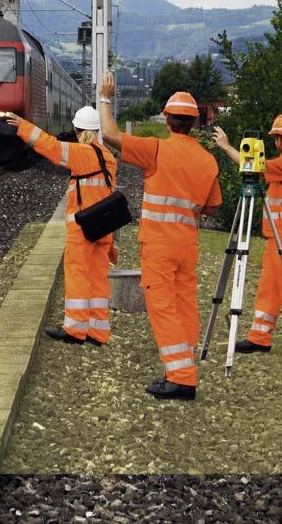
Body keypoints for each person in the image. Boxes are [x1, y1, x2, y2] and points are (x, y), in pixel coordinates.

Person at [98, 72, 222, 401]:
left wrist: (105, 97)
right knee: (184, 305)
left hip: (159, 245)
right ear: (195, 123)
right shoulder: (209, 161)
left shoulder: (155, 150)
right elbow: (210, 208)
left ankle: (180, 377)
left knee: (163, 306)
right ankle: (184, 366)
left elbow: (109, 133)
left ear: (166, 119)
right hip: (187, 245)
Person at [6, 107, 117, 346]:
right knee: (98, 279)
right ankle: (98, 332)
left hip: (83, 227)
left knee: (77, 273)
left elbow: (50, 146)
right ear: (96, 131)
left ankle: (75, 329)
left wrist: (24, 127)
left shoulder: (82, 153)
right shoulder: (108, 156)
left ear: (78, 130)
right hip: (104, 227)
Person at [213, 114, 282, 354]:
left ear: (279, 139)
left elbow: (253, 166)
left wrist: (226, 147)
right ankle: (260, 335)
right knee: (269, 287)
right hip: (279, 236)